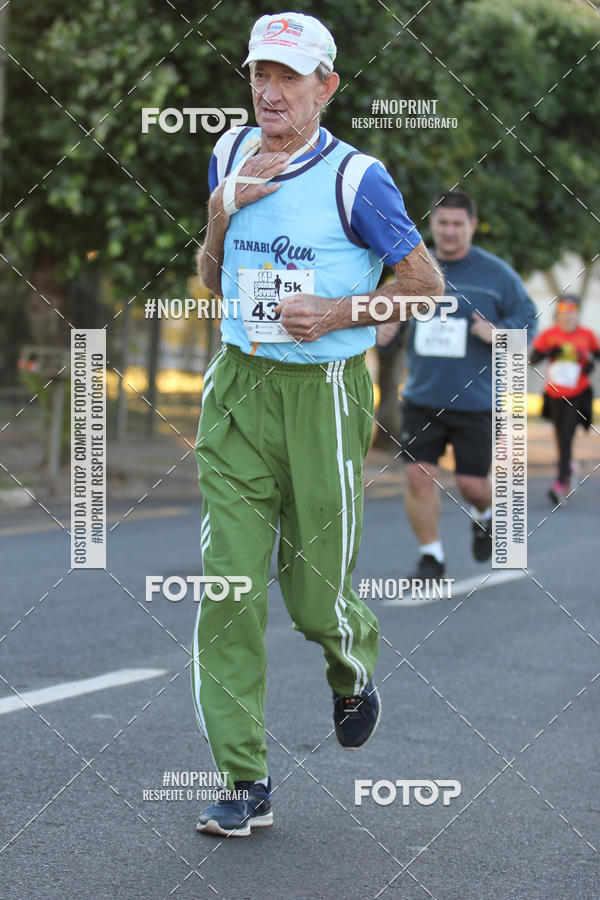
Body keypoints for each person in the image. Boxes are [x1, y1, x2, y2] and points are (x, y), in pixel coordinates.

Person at [191, 11, 444, 837]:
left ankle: (350, 661)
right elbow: (208, 278)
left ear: (326, 87)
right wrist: (220, 214)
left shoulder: (357, 180)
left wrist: (335, 309)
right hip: (236, 388)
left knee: (312, 597)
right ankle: (242, 778)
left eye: (288, 77)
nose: (269, 90)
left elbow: (424, 283)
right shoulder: (227, 154)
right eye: (259, 73)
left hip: (324, 395)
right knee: (226, 588)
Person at [398, 189, 537, 581]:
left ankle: (486, 514)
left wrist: (498, 333)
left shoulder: (497, 275)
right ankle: (431, 558)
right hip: (421, 397)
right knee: (417, 475)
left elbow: (528, 320)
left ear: (472, 226)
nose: (450, 231)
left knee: (472, 485)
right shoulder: (414, 266)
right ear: (432, 224)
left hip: (476, 400)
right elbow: (387, 307)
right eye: (442, 223)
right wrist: (386, 324)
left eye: (458, 224)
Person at [529, 294, 599, 504]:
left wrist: (588, 365)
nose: (567, 316)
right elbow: (533, 359)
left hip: (578, 394)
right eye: (563, 311)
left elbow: (595, 357)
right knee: (561, 436)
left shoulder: (586, 335)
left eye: (572, 311)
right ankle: (567, 468)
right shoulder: (549, 335)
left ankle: (560, 483)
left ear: (577, 313)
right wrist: (551, 351)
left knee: (567, 436)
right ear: (558, 313)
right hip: (554, 394)